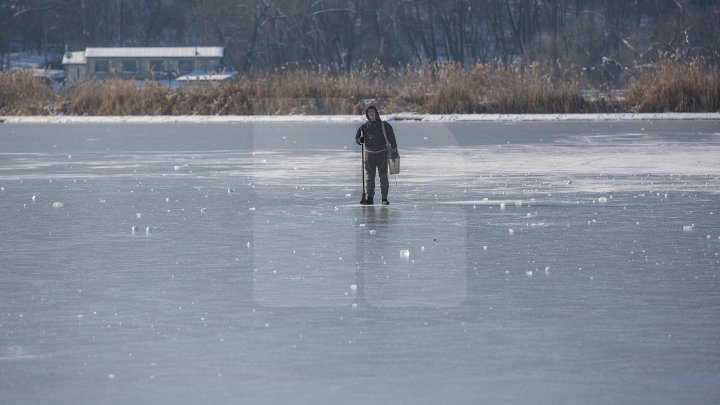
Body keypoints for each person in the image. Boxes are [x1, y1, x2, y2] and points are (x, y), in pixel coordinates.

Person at [355, 106, 398, 205]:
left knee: (383, 178)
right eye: (369, 112)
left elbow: (392, 138)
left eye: (373, 111)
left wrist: (395, 150)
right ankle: (370, 198)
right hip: (369, 157)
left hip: (382, 155)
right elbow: (357, 138)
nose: (371, 113)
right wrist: (360, 140)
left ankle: (384, 198)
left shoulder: (385, 125)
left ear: (376, 113)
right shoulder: (364, 127)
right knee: (370, 178)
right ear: (367, 114)